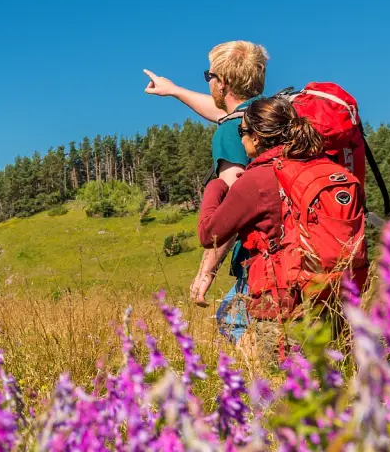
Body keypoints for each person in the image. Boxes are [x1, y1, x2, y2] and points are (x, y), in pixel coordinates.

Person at [195, 96, 368, 336]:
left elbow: (208, 234)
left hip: (280, 306)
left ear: (255, 137)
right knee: (332, 371)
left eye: (241, 131)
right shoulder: (324, 166)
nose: (241, 137)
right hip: (334, 299)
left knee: (277, 371)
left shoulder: (256, 179)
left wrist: (216, 187)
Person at [143, 40, 271, 338]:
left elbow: (235, 209)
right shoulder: (268, 117)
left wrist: (206, 273)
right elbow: (222, 113)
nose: (209, 81)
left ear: (222, 83)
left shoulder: (232, 133)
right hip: (306, 247)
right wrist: (173, 90)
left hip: (264, 257)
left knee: (234, 323)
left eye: (209, 76)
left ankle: (270, 384)